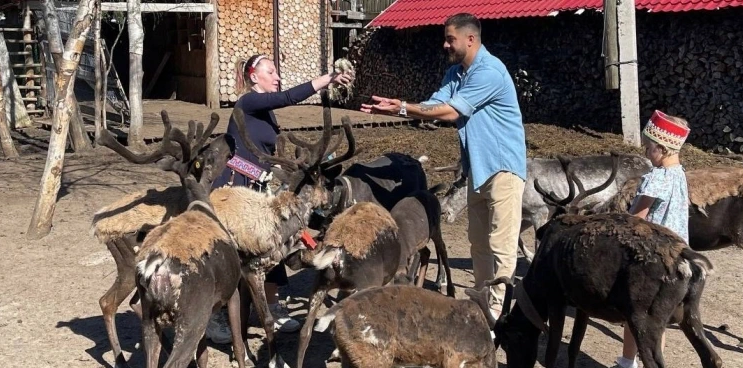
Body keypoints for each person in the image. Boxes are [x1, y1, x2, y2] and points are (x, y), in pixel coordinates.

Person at [360, 13, 526, 319]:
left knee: (501, 245)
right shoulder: (455, 74)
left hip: (503, 169)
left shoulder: (489, 71)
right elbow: (432, 105)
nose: (445, 43)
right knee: (478, 243)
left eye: (450, 38)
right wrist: (399, 109)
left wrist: (401, 105)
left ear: (470, 39)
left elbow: (449, 113)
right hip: (477, 168)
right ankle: (481, 307)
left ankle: (498, 314)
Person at [205, 54, 354, 344]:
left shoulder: (265, 112)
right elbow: (287, 97)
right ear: (253, 77)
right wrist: (326, 80)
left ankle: (270, 306)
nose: (277, 77)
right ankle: (214, 316)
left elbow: (262, 152)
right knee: (229, 253)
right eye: (270, 72)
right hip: (236, 189)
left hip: (259, 190)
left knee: (275, 245)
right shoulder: (247, 102)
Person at [592, 110, 691, 368]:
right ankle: (625, 366)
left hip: (654, 259)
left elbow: (636, 218)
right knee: (632, 313)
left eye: (649, 148)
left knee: (651, 319)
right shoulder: (678, 175)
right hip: (670, 253)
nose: (647, 153)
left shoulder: (655, 179)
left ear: (662, 148)